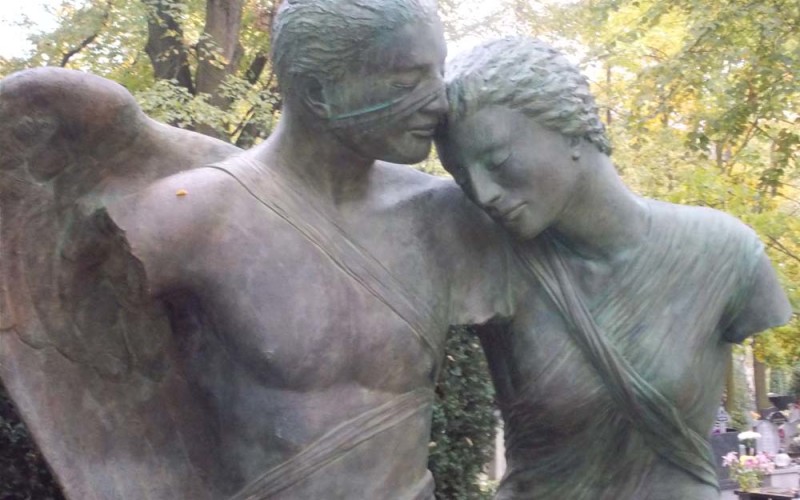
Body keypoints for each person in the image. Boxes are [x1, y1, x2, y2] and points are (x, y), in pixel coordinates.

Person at [0, 1, 516, 498]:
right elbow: (82, 357)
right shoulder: (193, 218)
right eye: (407, 82)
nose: (439, 102)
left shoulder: (443, 217)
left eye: (438, 73)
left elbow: (551, 402)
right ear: (318, 92)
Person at [435, 37, 792, 500]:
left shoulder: (727, 254)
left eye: (498, 161)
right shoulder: (490, 260)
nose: (483, 194)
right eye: (462, 177)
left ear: (569, 128)